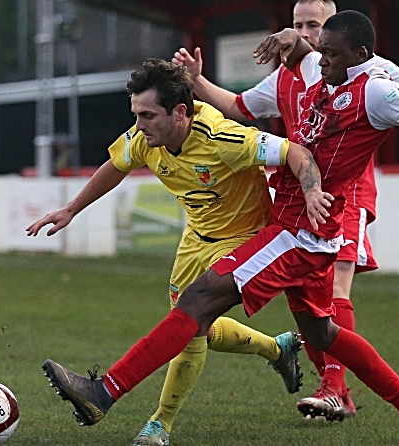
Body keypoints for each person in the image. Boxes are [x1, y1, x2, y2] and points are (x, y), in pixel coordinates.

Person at [34, 12, 399, 445]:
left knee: (198, 300)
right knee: (322, 335)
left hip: (302, 229)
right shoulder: (321, 70)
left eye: (334, 56)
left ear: (361, 55)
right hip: (306, 226)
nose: (326, 65)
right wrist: (291, 41)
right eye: (322, 53)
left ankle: (104, 392)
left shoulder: (378, 93)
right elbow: (285, 69)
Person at [172, 0, 399, 421]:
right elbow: (239, 107)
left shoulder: (369, 71)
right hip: (302, 194)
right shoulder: (286, 77)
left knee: (336, 292)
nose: (306, 32)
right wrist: (198, 81)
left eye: (314, 24)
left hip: (345, 192)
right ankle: (342, 391)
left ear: (331, 25)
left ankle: (335, 389)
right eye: (298, 25)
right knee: (312, 313)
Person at [28, 59, 331, 445]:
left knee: (191, 321)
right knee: (187, 322)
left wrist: (311, 191)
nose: (139, 125)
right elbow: (115, 165)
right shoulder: (145, 137)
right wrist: (71, 209)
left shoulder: (223, 137)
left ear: (180, 113)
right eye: (136, 114)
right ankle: (276, 348)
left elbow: (296, 152)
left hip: (242, 240)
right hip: (197, 237)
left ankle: (159, 424)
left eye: (148, 115)